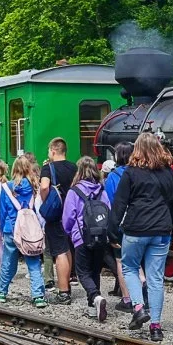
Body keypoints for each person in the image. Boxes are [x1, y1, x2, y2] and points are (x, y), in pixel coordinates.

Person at [111, 133, 173, 341]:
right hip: (161, 230)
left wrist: (112, 230)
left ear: (137, 149)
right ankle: (156, 327)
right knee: (156, 278)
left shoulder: (131, 173)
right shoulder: (169, 172)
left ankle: (139, 307)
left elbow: (119, 204)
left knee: (130, 267)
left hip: (136, 229)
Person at [61, 156, 112, 322]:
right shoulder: (101, 190)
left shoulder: (74, 191)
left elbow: (68, 217)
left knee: (83, 272)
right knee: (95, 271)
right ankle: (93, 306)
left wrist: (69, 232)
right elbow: (108, 211)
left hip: (81, 237)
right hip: (100, 236)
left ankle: (95, 297)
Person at [0, 154, 48, 308]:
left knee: (8, 262)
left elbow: (2, 212)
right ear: (28, 169)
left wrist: (5, 228)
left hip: (11, 229)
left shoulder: (7, 187)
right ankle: (38, 296)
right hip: (30, 231)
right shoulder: (34, 187)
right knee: (34, 263)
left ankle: (1, 292)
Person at [40, 138, 78, 305]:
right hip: (71, 213)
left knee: (59, 252)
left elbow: (44, 186)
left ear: (53, 151)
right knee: (67, 249)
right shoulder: (73, 167)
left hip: (56, 214)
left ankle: (63, 292)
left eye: (49, 150)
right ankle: (67, 284)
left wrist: (45, 200)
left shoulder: (48, 168)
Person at [104, 142, 135, 311]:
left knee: (121, 260)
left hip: (121, 223)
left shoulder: (114, 176)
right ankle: (141, 295)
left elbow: (110, 203)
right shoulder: (139, 173)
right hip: (138, 222)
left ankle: (127, 298)